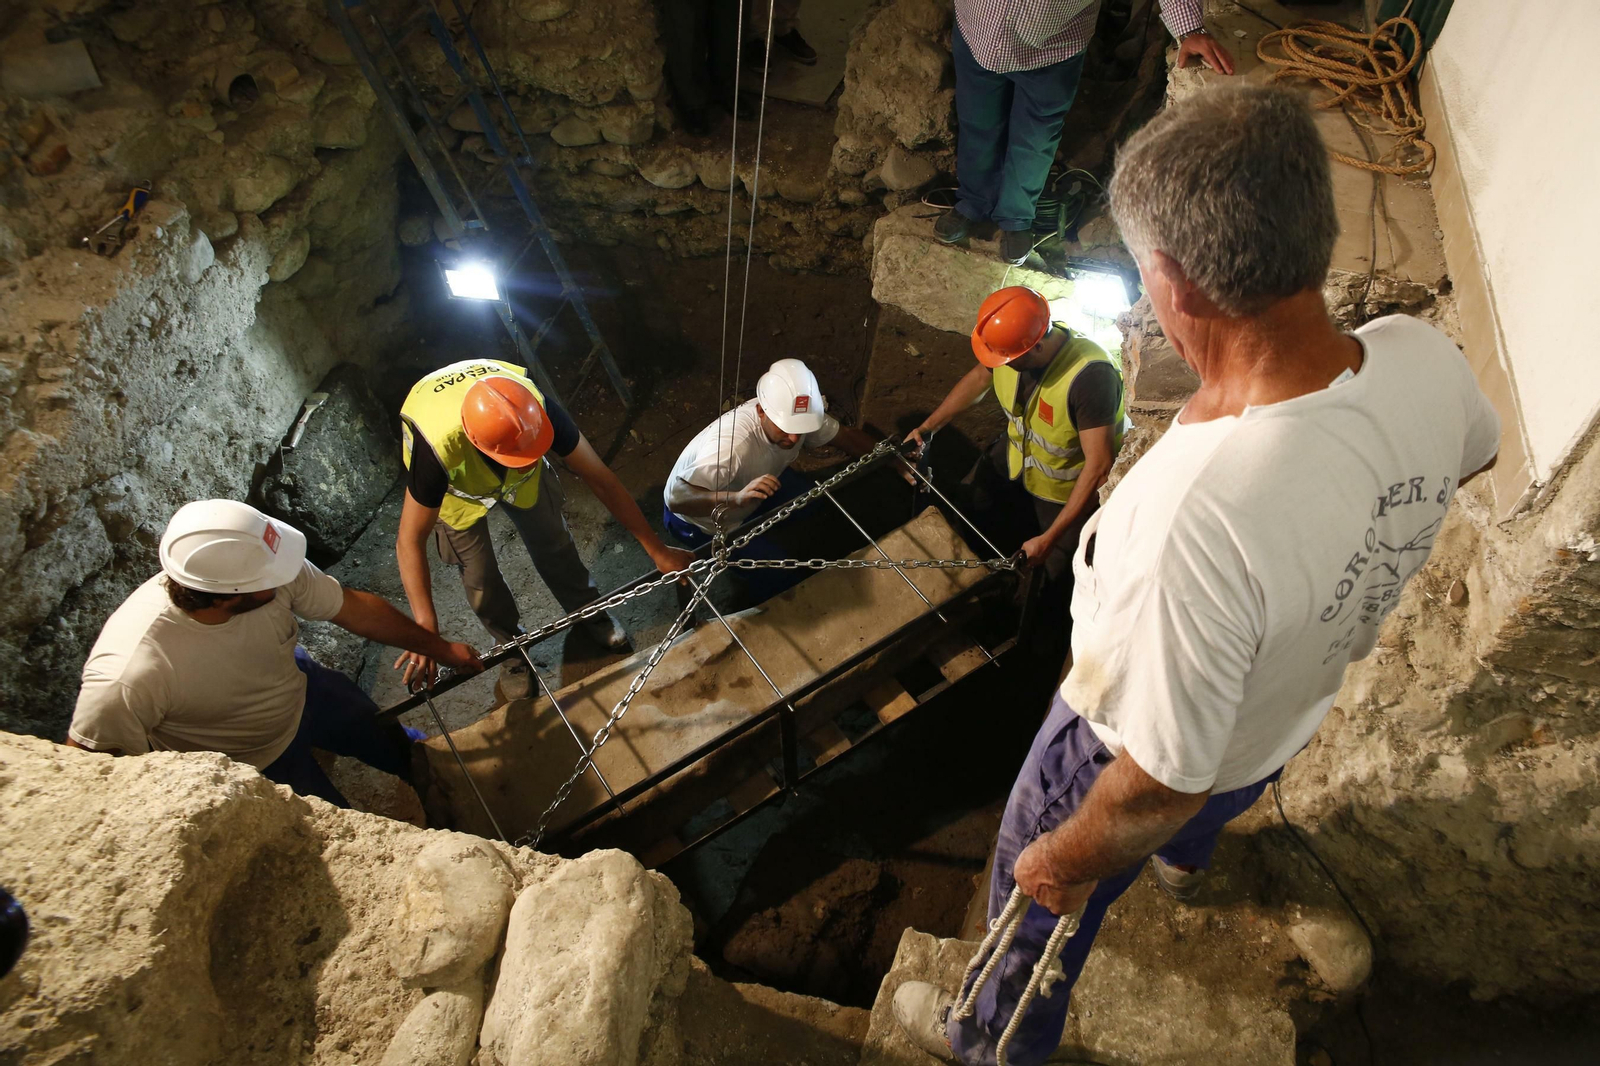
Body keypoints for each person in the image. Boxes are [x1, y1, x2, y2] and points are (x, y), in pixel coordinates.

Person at [891, 85, 1501, 1065]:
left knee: (1042, 896)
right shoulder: (1420, 358)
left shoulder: (1192, 515)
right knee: (1208, 794)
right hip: (1276, 718)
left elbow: (1154, 783)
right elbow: (1469, 454)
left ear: (1171, 285)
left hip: (1117, 754)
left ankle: (987, 1036)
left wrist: (1060, 854)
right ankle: (1183, 868)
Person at [67, 500, 484, 810]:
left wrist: (441, 648)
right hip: (253, 760)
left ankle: (427, 773)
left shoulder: (257, 568)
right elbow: (94, 773)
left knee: (387, 738)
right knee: (334, 822)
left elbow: (354, 608)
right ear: (226, 598)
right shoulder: (130, 674)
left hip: (305, 689)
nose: (289, 571)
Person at [395, 359, 693, 699]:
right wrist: (425, 630)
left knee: (555, 542)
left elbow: (601, 479)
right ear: (479, 444)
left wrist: (658, 551)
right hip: (458, 495)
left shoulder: (533, 407)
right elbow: (408, 541)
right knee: (480, 577)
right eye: (520, 455)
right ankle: (510, 648)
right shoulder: (437, 451)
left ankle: (588, 611)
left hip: (520, 476)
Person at [906, 285, 1126, 651]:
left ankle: (1022, 642)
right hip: (1013, 464)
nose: (1001, 365)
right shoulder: (1011, 350)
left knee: (1049, 580)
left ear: (1036, 346)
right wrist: (929, 428)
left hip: (1063, 494)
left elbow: (1100, 467)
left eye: (1008, 358)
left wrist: (1050, 538)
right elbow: (980, 377)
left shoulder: (1090, 377)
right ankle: (965, 589)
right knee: (971, 509)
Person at [939, 0, 1235, 266]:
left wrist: (1189, 28)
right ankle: (973, 201)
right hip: (977, 28)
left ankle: (1017, 218)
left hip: (1053, 44)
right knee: (977, 121)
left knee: (1035, 137)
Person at [663, 358, 878, 599]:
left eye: (800, 429)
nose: (795, 438)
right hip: (700, 520)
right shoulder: (732, 447)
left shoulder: (795, 417)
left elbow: (846, 437)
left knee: (815, 504)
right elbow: (676, 498)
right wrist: (736, 498)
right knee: (780, 574)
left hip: (758, 482)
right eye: (786, 429)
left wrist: (895, 457)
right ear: (760, 411)